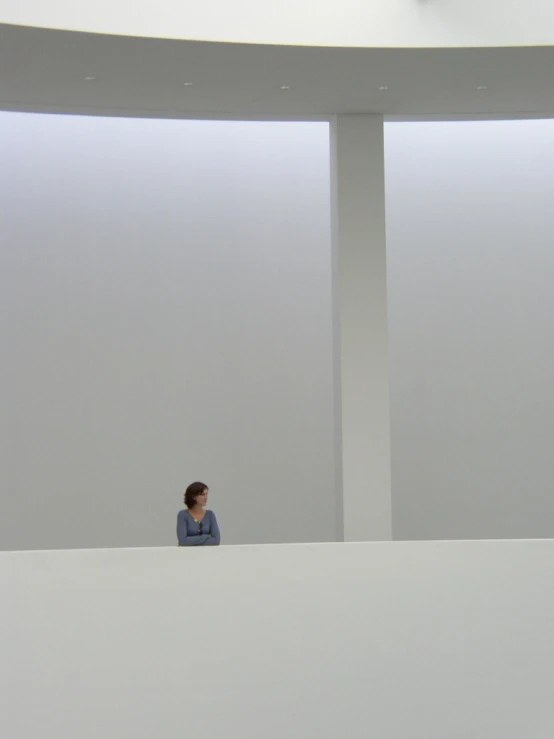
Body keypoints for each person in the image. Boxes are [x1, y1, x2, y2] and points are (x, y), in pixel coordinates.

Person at [177, 482, 221, 546]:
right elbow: (183, 541)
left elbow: (216, 540)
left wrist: (191, 541)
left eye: (206, 494)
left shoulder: (210, 514)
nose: (206, 497)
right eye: (203, 494)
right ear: (194, 497)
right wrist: (206, 537)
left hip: (207, 553)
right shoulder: (182, 515)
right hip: (187, 554)